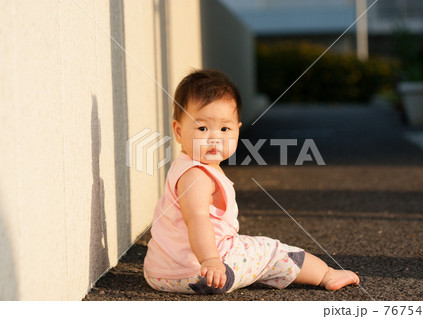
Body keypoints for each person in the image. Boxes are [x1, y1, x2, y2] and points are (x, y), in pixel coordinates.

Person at [143, 69, 360, 294]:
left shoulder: (185, 166)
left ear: (237, 130)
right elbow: (196, 218)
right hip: (204, 272)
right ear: (178, 131)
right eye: (203, 128)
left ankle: (251, 271)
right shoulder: (196, 176)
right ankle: (325, 274)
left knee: (251, 255)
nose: (215, 137)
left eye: (225, 129)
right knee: (272, 251)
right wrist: (210, 260)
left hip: (159, 273)